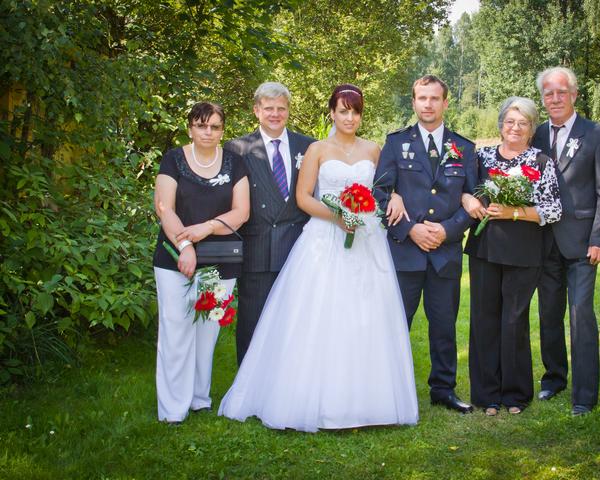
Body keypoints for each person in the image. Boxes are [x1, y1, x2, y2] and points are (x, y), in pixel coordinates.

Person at [218, 84, 419, 432]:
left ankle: (368, 401)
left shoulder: (374, 149)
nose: (349, 118)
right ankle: (311, 396)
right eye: (343, 111)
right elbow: (303, 197)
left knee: (366, 315)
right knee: (320, 313)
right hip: (324, 238)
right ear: (332, 113)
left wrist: (395, 197)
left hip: (366, 240)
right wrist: (338, 216)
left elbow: (385, 188)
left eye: (355, 112)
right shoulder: (317, 149)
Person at [373, 75, 476, 414]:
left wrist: (447, 230)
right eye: (422, 98)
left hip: (445, 254)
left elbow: (475, 199)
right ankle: (387, 389)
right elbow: (379, 193)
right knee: (396, 324)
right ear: (413, 102)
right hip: (405, 252)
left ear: (446, 102)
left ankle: (443, 390)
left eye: (434, 98)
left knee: (444, 326)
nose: (428, 104)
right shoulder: (395, 143)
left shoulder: (465, 147)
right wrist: (410, 229)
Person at [461, 97, 561, 416]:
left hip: (524, 251)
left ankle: (515, 394)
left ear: (531, 129)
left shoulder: (541, 161)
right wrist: (467, 199)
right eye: (510, 122)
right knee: (484, 319)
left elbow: (553, 209)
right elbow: (462, 188)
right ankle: (487, 394)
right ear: (501, 125)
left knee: (514, 321)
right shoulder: (482, 157)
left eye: (523, 123)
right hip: (485, 249)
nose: (515, 128)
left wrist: (513, 212)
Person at [152, 101, 250, 423]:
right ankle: (172, 409)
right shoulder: (173, 159)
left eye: (215, 126)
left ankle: (199, 398)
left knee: (207, 331)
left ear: (222, 130)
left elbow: (241, 212)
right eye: (201, 125)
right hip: (175, 258)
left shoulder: (235, 163)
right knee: (176, 330)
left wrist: (205, 228)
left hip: (221, 259)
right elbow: (164, 208)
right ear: (190, 128)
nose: (208, 132)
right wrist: (185, 244)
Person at [532, 67, 600, 416]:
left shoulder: (596, 134)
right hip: (544, 241)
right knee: (549, 314)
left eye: (561, 92)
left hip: (583, 244)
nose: (555, 99)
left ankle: (584, 395)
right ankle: (554, 379)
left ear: (574, 95)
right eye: (548, 93)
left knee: (581, 314)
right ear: (543, 98)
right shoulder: (536, 134)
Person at [224, 82, 315, 367]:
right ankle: (248, 385)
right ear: (256, 110)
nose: (275, 114)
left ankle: (290, 380)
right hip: (257, 248)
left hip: (299, 249)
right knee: (253, 324)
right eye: (268, 108)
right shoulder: (237, 148)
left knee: (295, 324)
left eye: (281, 108)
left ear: (288, 110)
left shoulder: (308, 146)